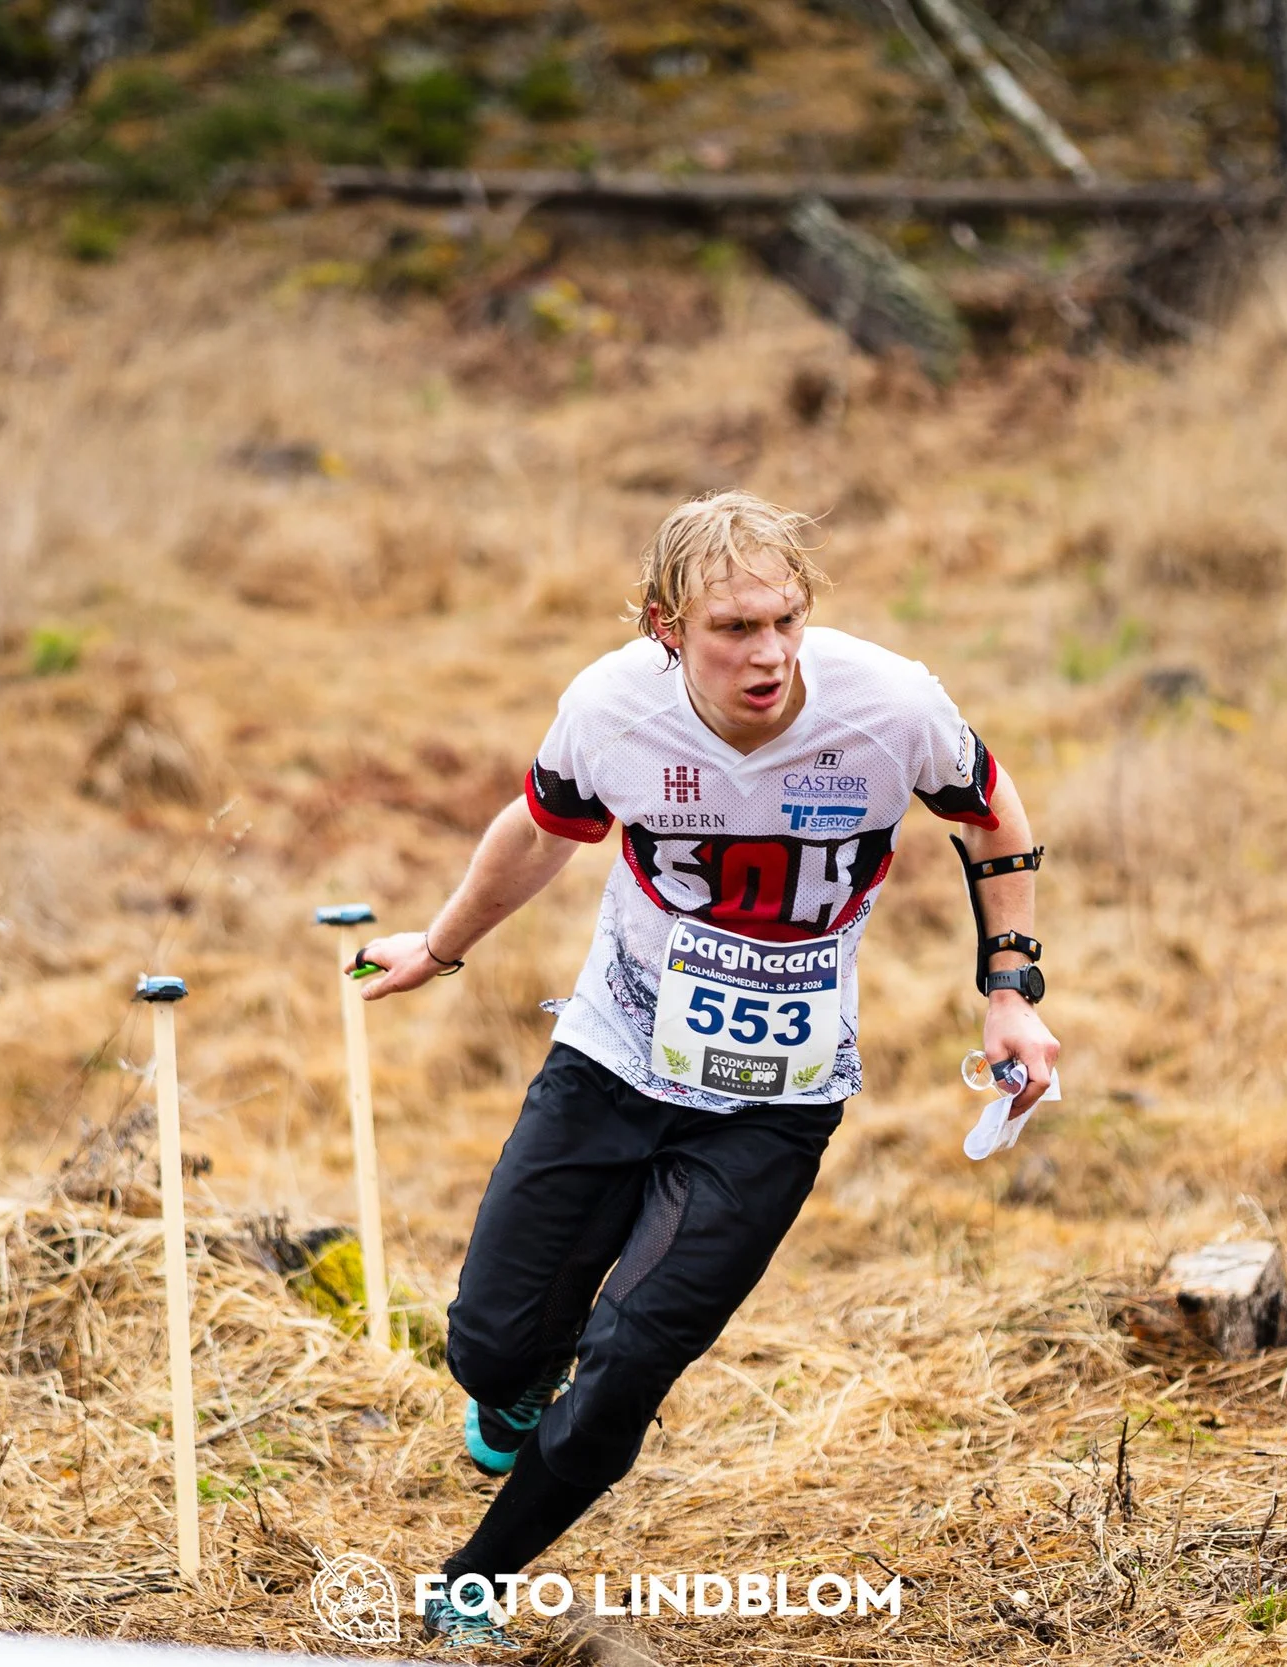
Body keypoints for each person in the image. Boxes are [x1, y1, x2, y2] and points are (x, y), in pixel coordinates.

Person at [354, 490, 1058, 1646]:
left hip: (772, 1107)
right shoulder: (612, 708)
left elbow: (990, 813)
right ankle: (512, 1379)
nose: (769, 653)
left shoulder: (889, 705)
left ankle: (477, 1572)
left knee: (627, 1359)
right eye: (734, 627)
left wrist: (1008, 989)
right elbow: (537, 829)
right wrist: (438, 947)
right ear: (664, 626)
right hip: (612, 1057)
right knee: (487, 1340)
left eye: (785, 619)